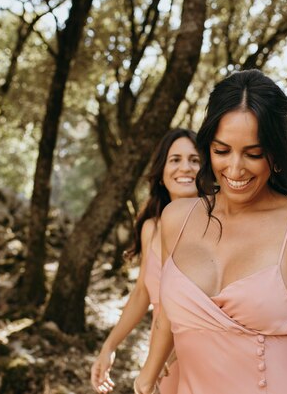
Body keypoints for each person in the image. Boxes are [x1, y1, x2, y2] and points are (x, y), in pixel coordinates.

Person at [134, 70, 287, 394]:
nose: (235, 169)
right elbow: (168, 316)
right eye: (222, 151)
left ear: (276, 154)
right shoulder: (176, 218)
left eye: (253, 154)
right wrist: (146, 377)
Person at [91, 128, 201, 394]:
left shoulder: (216, 225)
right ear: (161, 173)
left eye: (195, 160)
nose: (185, 167)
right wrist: (109, 347)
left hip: (202, 352)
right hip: (160, 354)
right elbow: (142, 292)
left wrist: (169, 355)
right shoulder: (150, 227)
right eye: (175, 159)